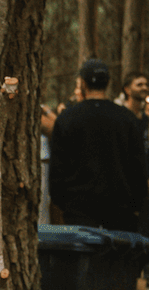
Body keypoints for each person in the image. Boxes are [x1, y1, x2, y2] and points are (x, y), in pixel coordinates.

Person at [49, 58, 149, 231]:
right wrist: (136, 205)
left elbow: (57, 169)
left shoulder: (67, 119)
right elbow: (138, 168)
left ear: (83, 84)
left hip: (79, 212)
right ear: (108, 83)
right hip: (120, 212)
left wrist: (64, 203)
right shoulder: (127, 119)